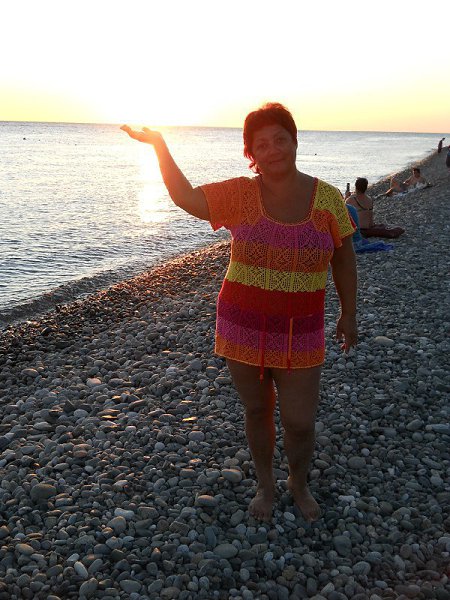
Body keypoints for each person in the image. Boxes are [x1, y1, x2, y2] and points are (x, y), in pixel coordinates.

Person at [121, 103, 358, 522]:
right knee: (257, 410)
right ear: (251, 154)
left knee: (300, 422)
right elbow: (185, 196)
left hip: (301, 330)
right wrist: (159, 145)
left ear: (295, 141)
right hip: (242, 324)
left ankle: (297, 482)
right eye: (261, 145)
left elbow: (344, 257)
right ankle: (265, 484)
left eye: (280, 139)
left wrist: (349, 313)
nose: (273, 150)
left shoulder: (327, 199)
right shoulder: (240, 195)